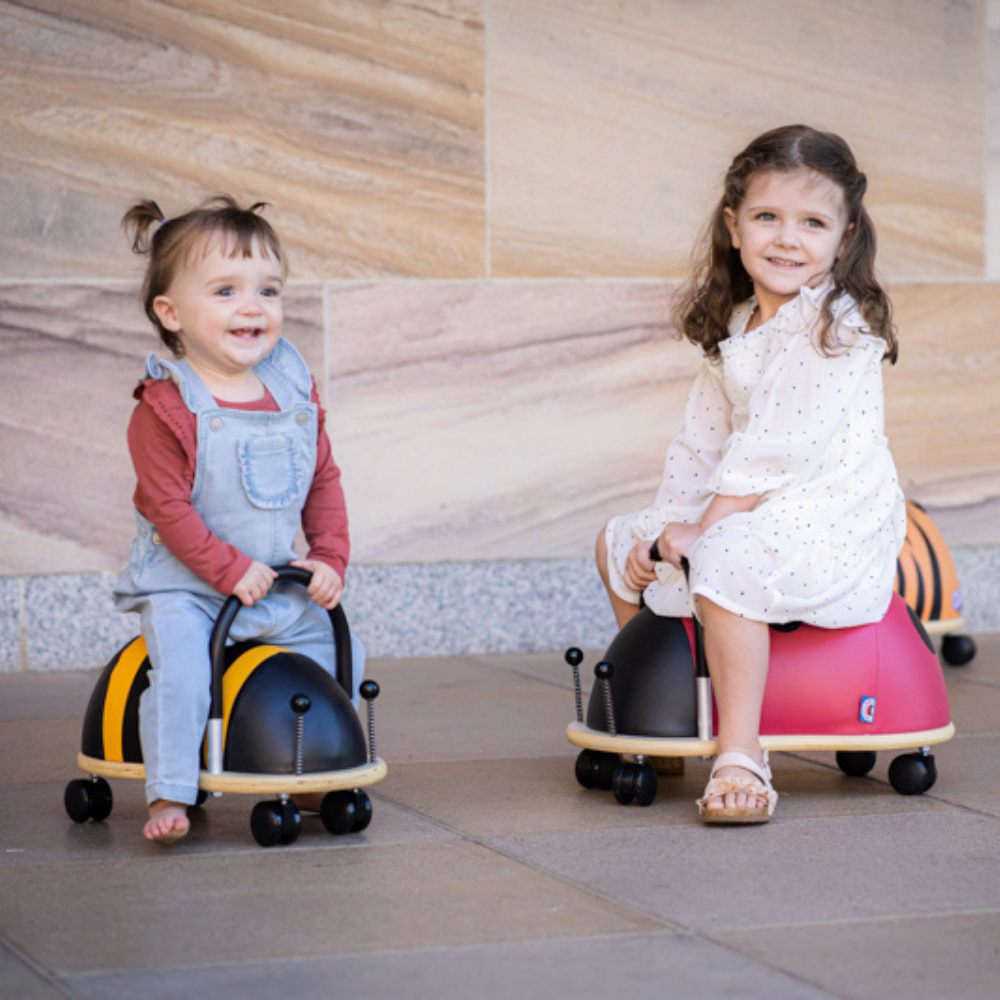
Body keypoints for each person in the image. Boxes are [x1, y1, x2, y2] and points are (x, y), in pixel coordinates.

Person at [596, 125, 906, 825]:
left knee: (724, 549)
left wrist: (699, 532)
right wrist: (663, 533)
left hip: (827, 517)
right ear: (734, 227)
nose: (788, 239)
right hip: (751, 503)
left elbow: (774, 452)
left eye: (813, 223)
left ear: (845, 236)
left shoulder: (836, 330)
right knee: (619, 540)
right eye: (768, 217)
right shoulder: (737, 326)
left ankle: (740, 751)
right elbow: (700, 446)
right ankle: (669, 710)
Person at [114, 195, 363, 844]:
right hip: (189, 586)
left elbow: (323, 476)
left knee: (339, 645)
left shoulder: (290, 383)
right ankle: (170, 788)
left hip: (271, 580)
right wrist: (226, 570)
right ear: (171, 313)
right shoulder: (166, 407)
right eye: (226, 291)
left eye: (268, 290)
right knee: (184, 672)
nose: (253, 307)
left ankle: (317, 765)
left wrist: (329, 556)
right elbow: (168, 510)